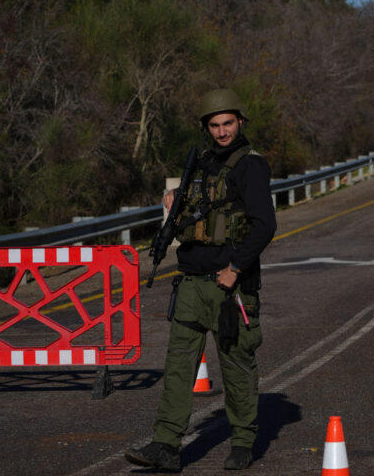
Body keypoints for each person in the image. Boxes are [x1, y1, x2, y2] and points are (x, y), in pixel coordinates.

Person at [125, 89, 277, 471]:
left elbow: (264, 226)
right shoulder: (204, 164)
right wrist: (176, 201)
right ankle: (166, 446)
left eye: (228, 123)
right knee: (178, 366)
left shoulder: (252, 166)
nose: (222, 131)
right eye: (215, 125)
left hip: (231, 286)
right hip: (191, 282)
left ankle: (243, 441)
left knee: (236, 365)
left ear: (240, 122)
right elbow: (200, 210)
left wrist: (236, 268)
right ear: (206, 128)